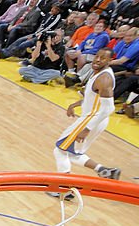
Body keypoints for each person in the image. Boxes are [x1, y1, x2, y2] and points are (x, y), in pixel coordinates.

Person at [50, 47, 121, 196]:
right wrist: (74, 105)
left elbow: (109, 108)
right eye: (97, 56)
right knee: (73, 153)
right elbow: (93, 99)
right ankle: (103, 170)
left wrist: (87, 128)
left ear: (110, 61)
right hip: (95, 118)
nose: (98, 60)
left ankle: (65, 188)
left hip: (92, 119)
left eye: (103, 58)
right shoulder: (98, 74)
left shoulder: (104, 78)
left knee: (60, 150)